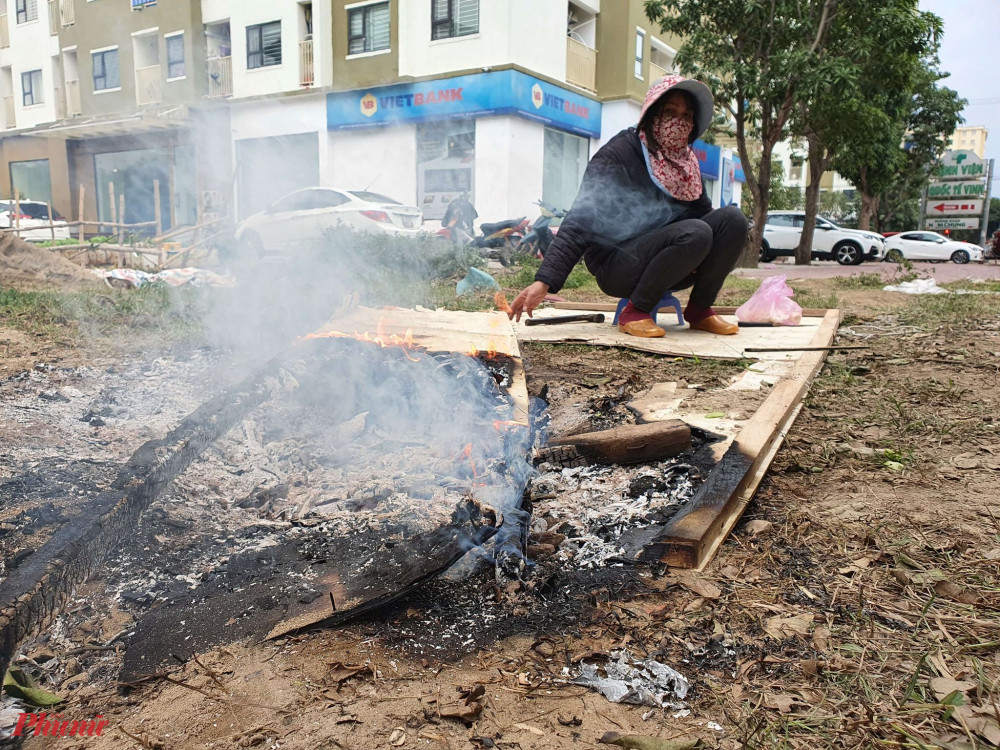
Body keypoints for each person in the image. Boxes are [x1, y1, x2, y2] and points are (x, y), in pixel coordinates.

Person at [508, 75, 749, 337]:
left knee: (733, 221)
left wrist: (714, 252)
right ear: (652, 114)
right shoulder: (620, 153)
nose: (678, 122)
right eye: (670, 111)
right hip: (617, 265)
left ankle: (700, 310)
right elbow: (580, 221)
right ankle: (635, 312)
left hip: (669, 257)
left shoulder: (685, 164)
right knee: (696, 233)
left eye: (686, 115)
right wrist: (545, 282)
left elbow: (703, 215)